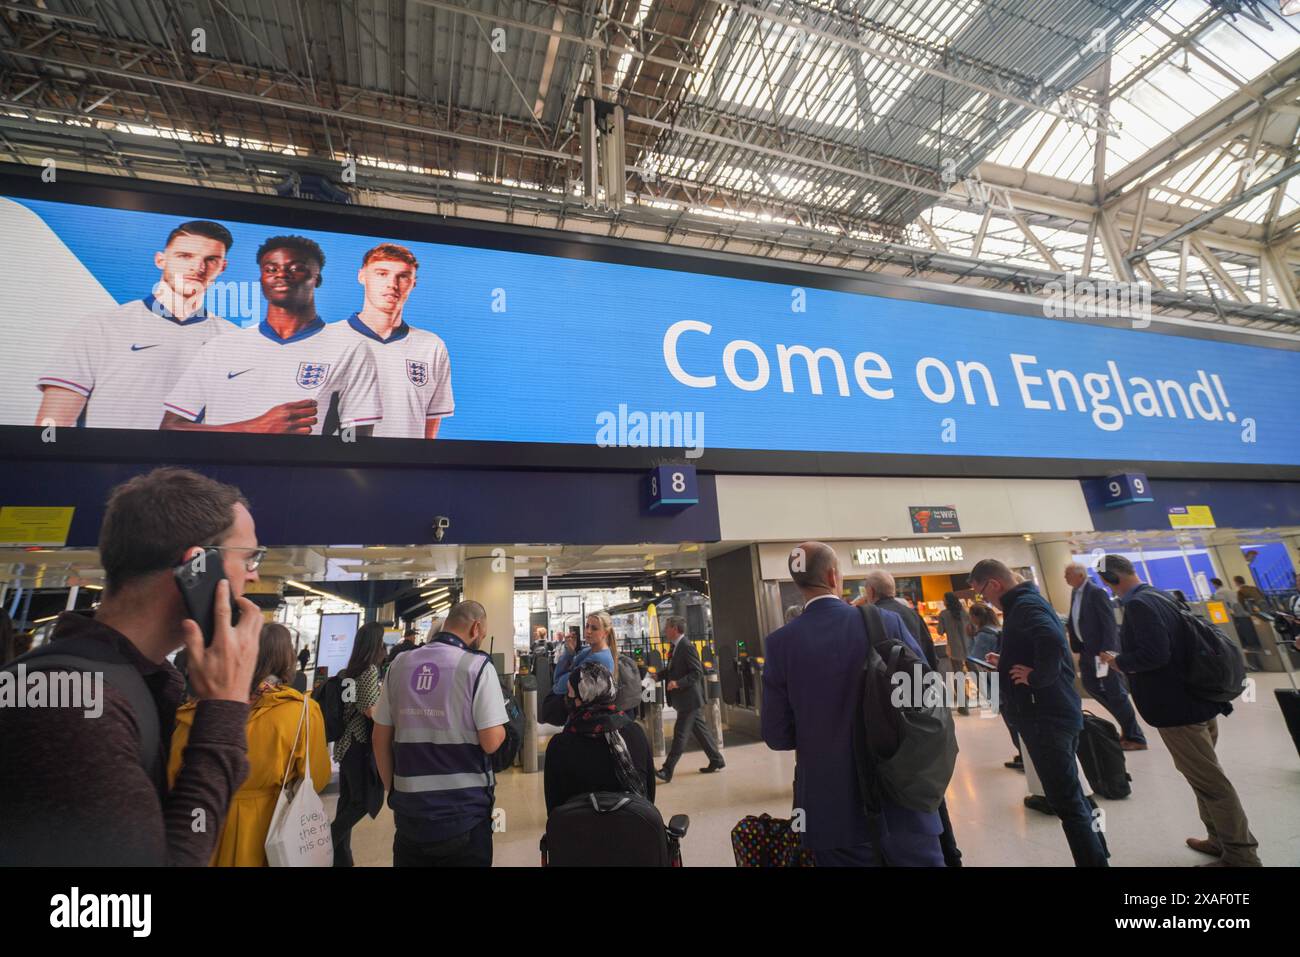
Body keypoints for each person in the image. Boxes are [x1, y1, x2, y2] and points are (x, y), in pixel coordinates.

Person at [0, 467, 262, 865]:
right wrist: (223, 713)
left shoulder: (120, 683)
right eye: (249, 557)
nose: (255, 576)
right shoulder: (72, 707)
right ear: (198, 565)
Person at [763, 542, 945, 866]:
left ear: (798, 583)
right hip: (901, 797)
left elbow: (776, 735)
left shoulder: (780, 645)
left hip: (829, 805)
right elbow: (926, 698)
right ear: (834, 576)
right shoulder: (886, 623)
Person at [1097, 555, 1261, 867]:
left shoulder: (1139, 605)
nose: (1108, 588)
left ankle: (1241, 855)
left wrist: (1120, 662)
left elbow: (1155, 655)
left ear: (1112, 579)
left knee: (1211, 783)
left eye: (1106, 582)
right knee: (1201, 777)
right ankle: (1218, 840)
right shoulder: (1160, 595)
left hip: (1178, 709)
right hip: (1196, 698)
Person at [162, 235, 382, 437]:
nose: (281, 274)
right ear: (261, 279)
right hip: (220, 477)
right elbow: (171, 428)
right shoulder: (221, 346)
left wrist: (318, 451)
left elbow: (356, 438)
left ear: (317, 278)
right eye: (271, 269)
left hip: (303, 477)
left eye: (296, 268)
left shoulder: (350, 347)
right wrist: (253, 428)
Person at [969, 558, 1108, 867]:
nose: (984, 600)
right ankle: (1100, 849)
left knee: (1067, 803)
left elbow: (1050, 639)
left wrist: (1036, 676)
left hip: (1046, 716)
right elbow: (1038, 642)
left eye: (981, 592)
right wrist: (1004, 660)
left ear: (995, 584)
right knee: (1075, 793)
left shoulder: (1025, 606)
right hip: (1054, 711)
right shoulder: (1025, 604)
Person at [36, 221, 236, 430]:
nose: (198, 267)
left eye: (211, 259)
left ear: (222, 267)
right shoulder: (103, 326)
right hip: (110, 459)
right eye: (184, 256)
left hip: (192, 462)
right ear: (161, 260)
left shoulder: (232, 338)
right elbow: (54, 421)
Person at [168, 622, 330, 866]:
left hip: (200, 824)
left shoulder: (202, 710)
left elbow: (172, 775)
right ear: (287, 658)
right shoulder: (301, 712)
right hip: (265, 829)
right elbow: (317, 777)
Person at [372, 600, 508, 867]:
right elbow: (491, 742)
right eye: (483, 632)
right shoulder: (476, 667)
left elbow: (380, 738)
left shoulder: (399, 664)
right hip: (463, 813)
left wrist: (395, 791)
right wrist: (505, 728)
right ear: (476, 627)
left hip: (410, 816)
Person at [861, 569, 964, 865]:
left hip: (897, 714)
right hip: (923, 710)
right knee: (931, 789)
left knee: (910, 789)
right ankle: (950, 851)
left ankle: (939, 852)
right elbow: (927, 659)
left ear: (870, 592)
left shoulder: (875, 620)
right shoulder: (910, 614)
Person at [341, 243, 454, 439]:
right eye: (382, 273)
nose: (392, 284)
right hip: (340, 464)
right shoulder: (329, 337)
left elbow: (431, 423)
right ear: (362, 276)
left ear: (413, 283)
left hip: (408, 465)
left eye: (402, 276)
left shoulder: (431, 345)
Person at [544, 661, 655, 813]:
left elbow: (554, 808)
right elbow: (649, 797)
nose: (566, 697)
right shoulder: (635, 733)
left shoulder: (560, 746)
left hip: (578, 832)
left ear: (582, 698)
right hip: (633, 830)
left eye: (569, 692)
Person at [1064, 563, 1147, 750]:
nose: (1065, 578)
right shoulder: (1075, 593)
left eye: (1067, 574)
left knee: (1115, 693)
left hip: (1103, 652)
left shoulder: (1096, 592)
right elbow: (1076, 619)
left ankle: (1135, 736)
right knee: (1091, 686)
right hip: (1086, 651)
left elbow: (1109, 622)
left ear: (1079, 575)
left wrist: (1108, 650)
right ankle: (1126, 724)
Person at [330, 621, 387, 866]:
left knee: (346, 802)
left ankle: (342, 859)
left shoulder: (347, 672)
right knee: (363, 802)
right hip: (358, 744)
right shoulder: (369, 672)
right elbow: (370, 710)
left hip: (344, 744)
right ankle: (325, 842)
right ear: (374, 645)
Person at [655, 615, 724, 782]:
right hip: (687, 699)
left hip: (689, 700)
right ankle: (717, 760)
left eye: (667, 627)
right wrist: (658, 675)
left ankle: (667, 770)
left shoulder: (686, 646)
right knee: (701, 731)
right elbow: (674, 669)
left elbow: (697, 672)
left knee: (680, 734)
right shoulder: (676, 646)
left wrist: (677, 683)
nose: (665, 630)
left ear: (675, 629)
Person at [969, 603, 1021, 769]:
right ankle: (1024, 755)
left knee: (1011, 722)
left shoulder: (983, 635)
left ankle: (1024, 757)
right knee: (1017, 721)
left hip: (996, 684)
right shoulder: (999, 629)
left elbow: (977, 660)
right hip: (1010, 682)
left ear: (975, 617)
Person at [862, 569, 939, 669]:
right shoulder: (913, 614)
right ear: (893, 590)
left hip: (889, 680)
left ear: (871, 591)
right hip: (917, 677)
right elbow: (929, 650)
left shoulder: (870, 618)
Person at [553, 610, 617, 695]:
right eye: (587, 626)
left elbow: (559, 686)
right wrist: (570, 651)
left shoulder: (598, 659)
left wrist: (568, 655)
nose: (588, 631)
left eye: (594, 628)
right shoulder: (587, 651)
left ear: (606, 633)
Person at [937, 592, 971, 715]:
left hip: (955, 650)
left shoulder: (943, 614)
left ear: (947, 602)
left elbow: (939, 631)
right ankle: (993, 699)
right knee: (978, 674)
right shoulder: (965, 613)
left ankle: (964, 706)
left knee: (959, 676)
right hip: (970, 648)